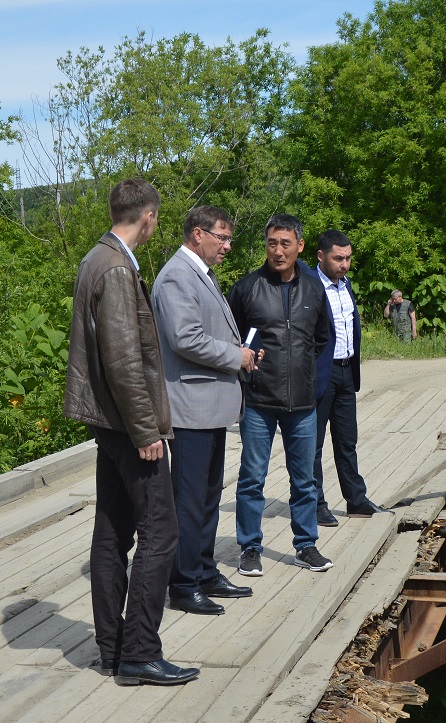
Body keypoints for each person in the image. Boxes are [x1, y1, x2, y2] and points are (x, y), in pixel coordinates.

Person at [64, 178, 198, 686]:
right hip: (128, 425)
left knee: (113, 533)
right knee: (160, 533)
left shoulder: (95, 258)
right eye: (157, 218)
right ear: (148, 217)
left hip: (107, 422)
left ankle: (112, 648)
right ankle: (140, 651)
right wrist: (147, 430)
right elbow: (122, 361)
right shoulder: (117, 268)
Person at [152, 206, 263, 616]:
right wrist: (236, 355)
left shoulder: (200, 272)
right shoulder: (178, 275)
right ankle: (182, 583)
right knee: (189, 499)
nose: (228, 246)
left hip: (210, 407)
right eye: (223, 237)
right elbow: (185, 339)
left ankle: (203, 570)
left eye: (229, 238)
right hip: (190, 408)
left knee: (208, 497)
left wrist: (244, 353)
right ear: (198, 234)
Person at [226, 213, 334, 575]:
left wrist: (312, 383)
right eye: (272, 243)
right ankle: (249, 548)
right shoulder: (247, 288)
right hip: (258, 402)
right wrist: (246, 375)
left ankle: (306, 545)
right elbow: (231, 341)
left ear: (300, 246)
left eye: (285, 243)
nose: (278, 250)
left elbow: (323, 339)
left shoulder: (314, 289)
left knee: (304, 479)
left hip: (303, 403)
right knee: (252, 478)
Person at [308, 230, 391, 527]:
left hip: (345, 372)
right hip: (320, 375)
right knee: (313, 446)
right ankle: (315, 505)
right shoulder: (309, 287)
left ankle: (357, 501)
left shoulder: (346, 286)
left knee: (347, 441)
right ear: (321, 256)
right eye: (338, 258)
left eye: (348, 258)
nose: (344, 264)